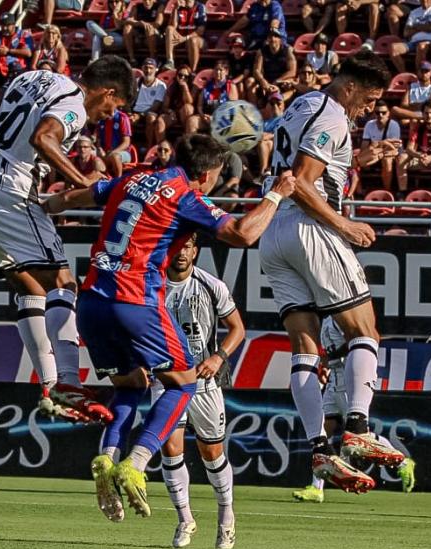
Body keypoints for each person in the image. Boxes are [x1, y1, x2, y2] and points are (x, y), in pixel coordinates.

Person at [42, 133, 296, 521]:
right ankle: (137, 462)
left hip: (93, 301)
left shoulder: (134, 178)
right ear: (209, 174)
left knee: (131, 385)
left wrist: (52, 203)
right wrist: (276, 195)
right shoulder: (185, 197)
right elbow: (243, 233)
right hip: (136, 300)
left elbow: (85, 194)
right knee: (185, 381)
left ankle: (108, 458)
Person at [0, 57, 136, 425]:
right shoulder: (74, 105)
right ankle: (68, 381)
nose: (110, 115)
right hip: (10, 197)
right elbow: (44, 137)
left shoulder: (32, 78)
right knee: (63, 283)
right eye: (116, 106)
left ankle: (51, 388)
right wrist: (86, 185)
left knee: (29, 287)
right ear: (108, 91)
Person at [262, 50, 404, 494]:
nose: (370, 109)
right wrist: (344, 224)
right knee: (363, 329)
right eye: (369, 98)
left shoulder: (302, 105)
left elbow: (317, 164)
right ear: (349, 87)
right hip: (310, 229)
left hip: (273, 234)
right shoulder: (333, 114)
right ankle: (359, 426)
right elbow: (303, 180)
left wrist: (361, 157)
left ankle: (320, 449)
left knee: (305, 346)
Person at [154, 235, 245, 549]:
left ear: (196, 251)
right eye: (177, 246)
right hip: (166, 381)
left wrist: (218, 357)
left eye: (188, 246)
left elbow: (237, 328)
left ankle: (226, 517)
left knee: (212, 452)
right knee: (170, 447)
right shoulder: (150, 284)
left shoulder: (211, 285)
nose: (182, 252)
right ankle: (184, 519)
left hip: (205, 383)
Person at [292, 317, 417, 503]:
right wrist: (326, 364)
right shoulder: (325, 320)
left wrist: (330, 356)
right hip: (333, 380)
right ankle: (316, 489)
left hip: (348, 379)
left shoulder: (343, 315)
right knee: (322, 431)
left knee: (356, 435)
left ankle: (403, 461)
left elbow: (360, 339)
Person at [361, 101, 402, 190]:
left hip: (389, 154)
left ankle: (387, 191)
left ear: (388, 114)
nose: (380, 115)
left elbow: (393, 149)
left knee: (387, 160)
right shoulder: (369, 124)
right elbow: (364, 147)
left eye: (383, 113)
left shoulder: (394, 125)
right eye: (377, 113)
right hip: (376, 152)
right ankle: (358, 192)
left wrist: (376, 147)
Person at [164, 0, 206, 71]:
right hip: (180, 37)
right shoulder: (180, 7)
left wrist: (185, 38)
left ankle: (193, 71)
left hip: (196, 38)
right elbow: (173, 25)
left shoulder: (200, 7)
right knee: (169, 29)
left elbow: (201, 30)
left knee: (193, 40)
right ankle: (170, 61)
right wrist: (175, 9)